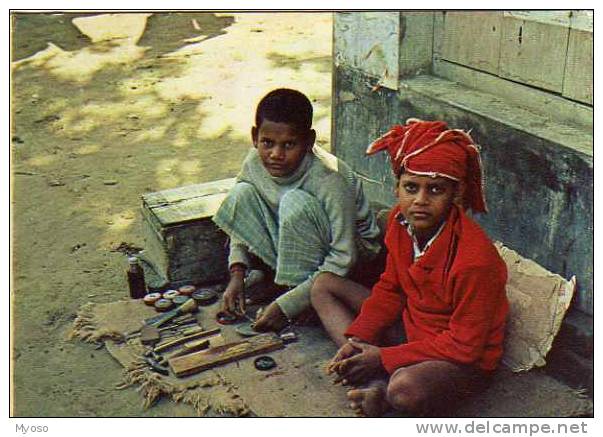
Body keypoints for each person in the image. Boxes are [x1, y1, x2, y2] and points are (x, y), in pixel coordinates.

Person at [310, 119, 509, 417]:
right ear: (397, 188)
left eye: (435, 190)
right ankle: (366, 367)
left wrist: (385, 356)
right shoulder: (398, 223)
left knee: (405, 390)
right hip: (412, 329)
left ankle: (381, 385)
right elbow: (391, 288)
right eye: (411, 187)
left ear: (456, 194)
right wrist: (359, 338)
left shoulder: (475, 260)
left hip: (457, 360)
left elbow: (465, 347)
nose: (420, 201)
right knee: (323, 286)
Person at [212, 88, 381, 332]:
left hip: (353, 262)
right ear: (254, 137)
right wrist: (237, 273)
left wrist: (287, 306)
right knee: (241, 193)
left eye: (289, 144)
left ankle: (304, 298)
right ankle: (292, 287)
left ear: (309, 141)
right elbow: (242, 216)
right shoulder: (253, 163)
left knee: (295, 203)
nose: (276, 155)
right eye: (267, 143)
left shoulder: (329, 179)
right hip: (301, 240)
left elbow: (345, 255)